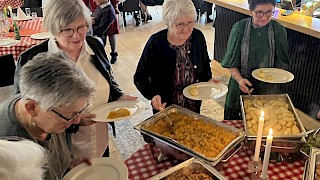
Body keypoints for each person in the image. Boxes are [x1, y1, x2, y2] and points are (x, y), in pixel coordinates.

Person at [14, 0, 137, 160]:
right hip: (62, 153)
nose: (77, 35)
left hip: (99, 141)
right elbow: (27, 115)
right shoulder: (31, 59)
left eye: (81, 27)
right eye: (68, 30)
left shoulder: (95, 45)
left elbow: (107, 79)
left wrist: (119, 96)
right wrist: (74, 121)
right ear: (54, 29)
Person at [0, 52, 95, 180]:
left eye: (78, 112)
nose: (77, 120)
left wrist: (68, 165)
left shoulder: (45, 105)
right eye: (70, 115)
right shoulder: (7, 154)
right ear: (32, 108)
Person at [134, 0, 212, 114]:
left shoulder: (197, 37)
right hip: (165, 109)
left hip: (193, 106)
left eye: (190, 22)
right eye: (180, 24)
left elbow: (205, 66)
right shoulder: (156, 43)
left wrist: (208, 80)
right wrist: (153, 95)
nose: (186, 29)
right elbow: (140, 77)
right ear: (168, 23)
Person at [221, 0, 290, 120]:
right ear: (251, 11)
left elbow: (281, 64)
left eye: (269, 12)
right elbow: (231, 64)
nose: (264, 17)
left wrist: (273, 77)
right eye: (259, 13)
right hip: (239, 86)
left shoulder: (278, 30)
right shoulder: (239, 29)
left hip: (267, 91)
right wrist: (239, 79)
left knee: (263, 124)